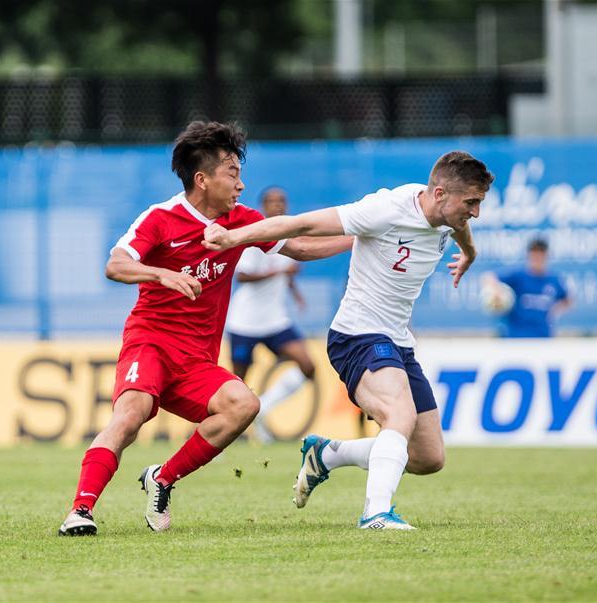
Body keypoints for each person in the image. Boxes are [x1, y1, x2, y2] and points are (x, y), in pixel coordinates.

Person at [57, 121, 352, 536]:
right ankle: (81, 511)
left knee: (244, 405)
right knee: (131, 413)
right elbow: (115, 265)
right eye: (232, 173)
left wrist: (360, 239)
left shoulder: (242, 220)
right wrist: (162, 275)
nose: (242, 185)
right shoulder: (161, 218)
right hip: (152, 344)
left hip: (197, 360)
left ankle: (162, 478)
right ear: (203, 179)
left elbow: (300, 245)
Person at [203, 151, 494, 530]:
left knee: (427, 457)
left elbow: (457, 229)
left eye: (478, 204)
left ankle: (328, 455)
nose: (475, 213)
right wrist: (233, 237)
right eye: (471, 203)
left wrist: (470, 252)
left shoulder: (445, 214)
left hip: (398, 340)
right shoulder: (386, 209)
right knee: (398, 415)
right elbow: (302, 224)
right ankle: (375, 513)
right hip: (358, 333)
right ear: (439, 193)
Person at [224, 187, 316, 442]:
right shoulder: (258, 237)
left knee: (308, 366)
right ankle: (221, 437)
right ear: (263, 205)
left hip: (275, 320)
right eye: (271, 201)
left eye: (281, 201)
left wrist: (294, 291)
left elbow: (285, 269)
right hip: (245, 321)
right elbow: (242, 275)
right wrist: (280, 274)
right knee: (237, 383)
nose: (277, 205)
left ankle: (263, 408)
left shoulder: (287, 236)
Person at [482, 238, 571, 338]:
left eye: (541, 253)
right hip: (516, 336)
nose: (537, 257)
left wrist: (554, 312)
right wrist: (497, 291)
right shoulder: (518, 275)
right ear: (529, 255)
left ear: (546, 255)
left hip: (542, 336)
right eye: (534, 253)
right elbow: (489, 276)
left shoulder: (554, 279)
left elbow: (567, 299)